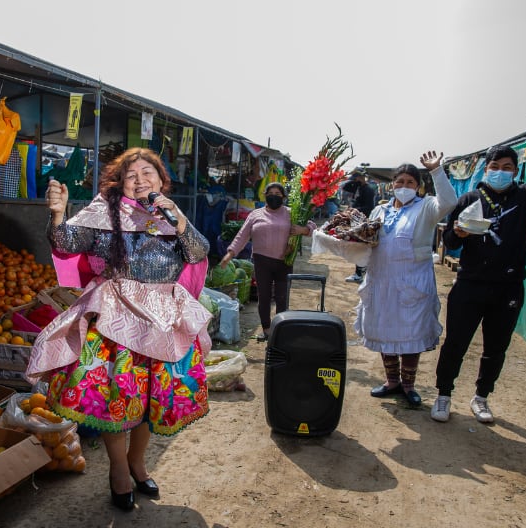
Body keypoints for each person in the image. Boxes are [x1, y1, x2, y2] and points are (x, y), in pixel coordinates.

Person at [25, 147, 212, 512]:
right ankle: (118, 469)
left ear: (161, 180)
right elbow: (66, 242)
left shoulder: (171, 216)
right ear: (120, 182)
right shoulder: (103, 214)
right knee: (116, 400)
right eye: (132, 175)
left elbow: (198, 252)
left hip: (162, 321)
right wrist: (58, 214)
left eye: (148, 173)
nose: (141, 180)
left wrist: (180, 221)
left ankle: (138, 463)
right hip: (115, 320)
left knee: (147, 402)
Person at [431, 116, 526, 423]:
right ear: (486, 169)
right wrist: (460, 235)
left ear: (516, 172)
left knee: (496, 347)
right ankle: (443, 394)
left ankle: (481, 397)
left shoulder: (525, 196)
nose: (501, 172)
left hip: (507, 288)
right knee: (456, 343)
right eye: (495, 166)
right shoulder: (470, 198)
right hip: (469, 284)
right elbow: (449, 238)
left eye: (507, 167)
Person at [355, 152, 457, 408]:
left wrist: (436, 171)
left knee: (411, 331)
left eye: (410, 182)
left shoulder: (426, 207)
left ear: (419, 186)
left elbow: (449, 202)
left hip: (412, 282)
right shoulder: (380, 209)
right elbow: (368, 238)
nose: (403, 186)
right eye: (399, 181)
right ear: (391, 185)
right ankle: (391, 381)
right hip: (381, 280)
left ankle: (408, 385)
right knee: (383, 329)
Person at [219, 182, 315, 341]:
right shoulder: (255, 214)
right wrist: (230, 254)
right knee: (263, 297)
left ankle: (280, 329)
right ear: (265, 195)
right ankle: (266, 330)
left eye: (278, 194)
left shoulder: (292, 213)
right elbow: (242, 236)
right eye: (271, 193)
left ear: (284, 197)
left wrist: (303, 230)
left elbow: (311, 227)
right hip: (261, 261)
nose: (274, 196)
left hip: (284, 262)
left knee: (282, 297)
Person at [345, 172, 378, 282]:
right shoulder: (360, 188)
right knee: (359, 248)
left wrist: (355, 210)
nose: (355, 181)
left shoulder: (368, 190)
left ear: (361, 178)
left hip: (364, 222)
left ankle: (359, 274)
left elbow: (369, 207)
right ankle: (360, 273)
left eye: (356, 179)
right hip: (358, 221)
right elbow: (347, 187)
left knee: (362, 248)